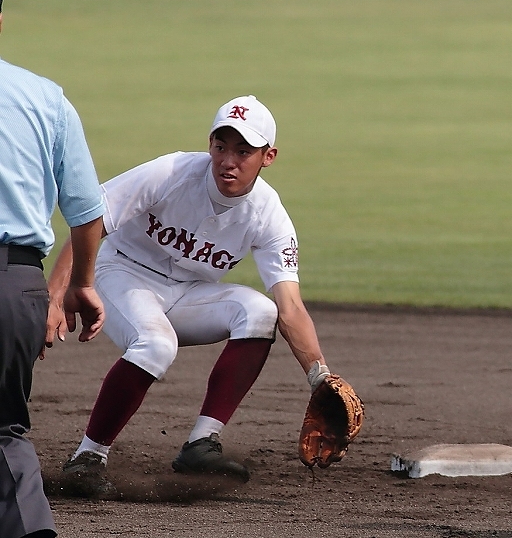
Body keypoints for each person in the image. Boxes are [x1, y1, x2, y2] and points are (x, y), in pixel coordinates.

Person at [49, 94, 342, 498]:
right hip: (119, 273)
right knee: (156, 344)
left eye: (244, 151)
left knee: (260, 311)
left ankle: (201, 444)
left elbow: (291, 307)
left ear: (268, 156)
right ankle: (88, 457)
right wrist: (59, 289)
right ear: (209, 144)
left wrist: (320, 376)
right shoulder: (171, 172)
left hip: (188, 293)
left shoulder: (268, 214)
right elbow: (91, 219)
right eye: (221, 147)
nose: (228, 161)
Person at [0, 0, 107, 538]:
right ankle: (21, 535)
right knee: (6, 425)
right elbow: (88, 216)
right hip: (16, 285)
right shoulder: (45, 98)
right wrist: (78, 285)